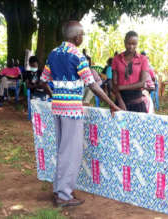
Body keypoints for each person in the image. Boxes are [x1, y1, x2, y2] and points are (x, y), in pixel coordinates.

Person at [40, 21, 120, 207]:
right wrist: (111, 104)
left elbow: (43, 80)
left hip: (57, 108)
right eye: (82, 34)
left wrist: (56, 96)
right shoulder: (78, 56)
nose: (82, 37)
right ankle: (64, 196)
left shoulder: (53, 54)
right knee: (71, 153)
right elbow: (92, 84)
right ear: (77, 37)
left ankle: (60, 189)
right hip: (72, 112)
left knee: (62, 150)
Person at [112, 31, 149, 112]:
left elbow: (142, 83)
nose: (131, 46)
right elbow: (114, 82)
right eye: (129, 43)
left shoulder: (143, 59)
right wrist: (120, 101)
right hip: (120, 100)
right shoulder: (116, 59)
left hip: (137, 102)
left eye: (134, 44)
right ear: (124, 42)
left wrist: (121, 87)